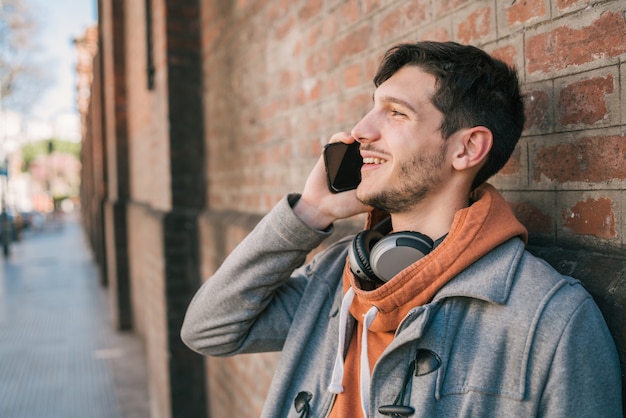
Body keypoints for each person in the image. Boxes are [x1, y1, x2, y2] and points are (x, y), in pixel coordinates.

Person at [181, 41, 622, 417]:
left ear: (467, 148)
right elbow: (209, 329)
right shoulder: (340, 275)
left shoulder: (551, 320)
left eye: (395, 113)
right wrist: (312, 211)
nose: (360, 131)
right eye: (372, 108)